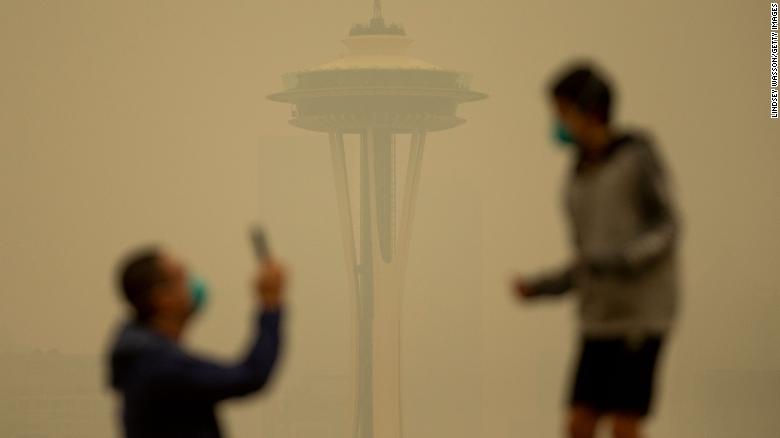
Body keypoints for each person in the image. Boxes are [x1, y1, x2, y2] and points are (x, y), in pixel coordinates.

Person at [513, 64, 680, 438]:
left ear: (588, 110)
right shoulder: (576, 178)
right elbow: (586, 261)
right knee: (578, 425)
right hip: (597, 317)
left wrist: (624, 259)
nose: (557, 123)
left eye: (561, 112)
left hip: (640, 317)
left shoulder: (637, 157)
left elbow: (667, 226)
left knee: (624, 426)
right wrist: (540, 287)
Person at [107, 246, 285, 438]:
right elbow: (250, 376)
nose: (195, 283)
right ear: (162, 298)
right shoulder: (158, 365)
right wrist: (270, 303)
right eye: (182, 277)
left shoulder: (144, 355)